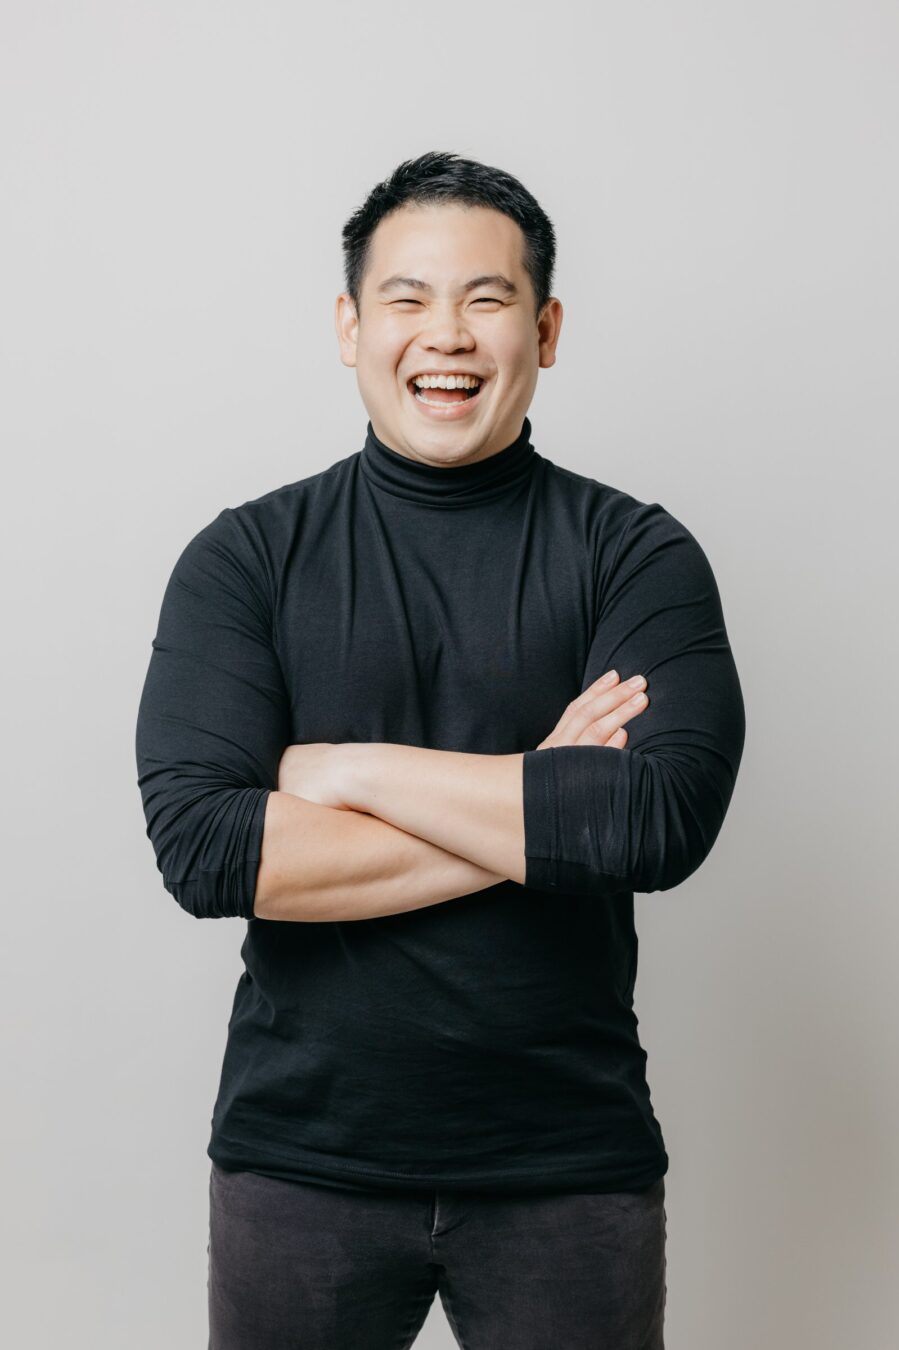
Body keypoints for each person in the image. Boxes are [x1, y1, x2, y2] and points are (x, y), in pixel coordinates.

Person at [135, 150, 745, 1349]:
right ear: (351, 325)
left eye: (488, 297)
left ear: (547, 327)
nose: (446, 335)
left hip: (569, 1164)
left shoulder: (636, 555)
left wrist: (342, 771)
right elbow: (207, 851)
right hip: (298, 1164)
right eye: (408, 299)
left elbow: (653, 822)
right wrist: (540, 805)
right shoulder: (246, 558)